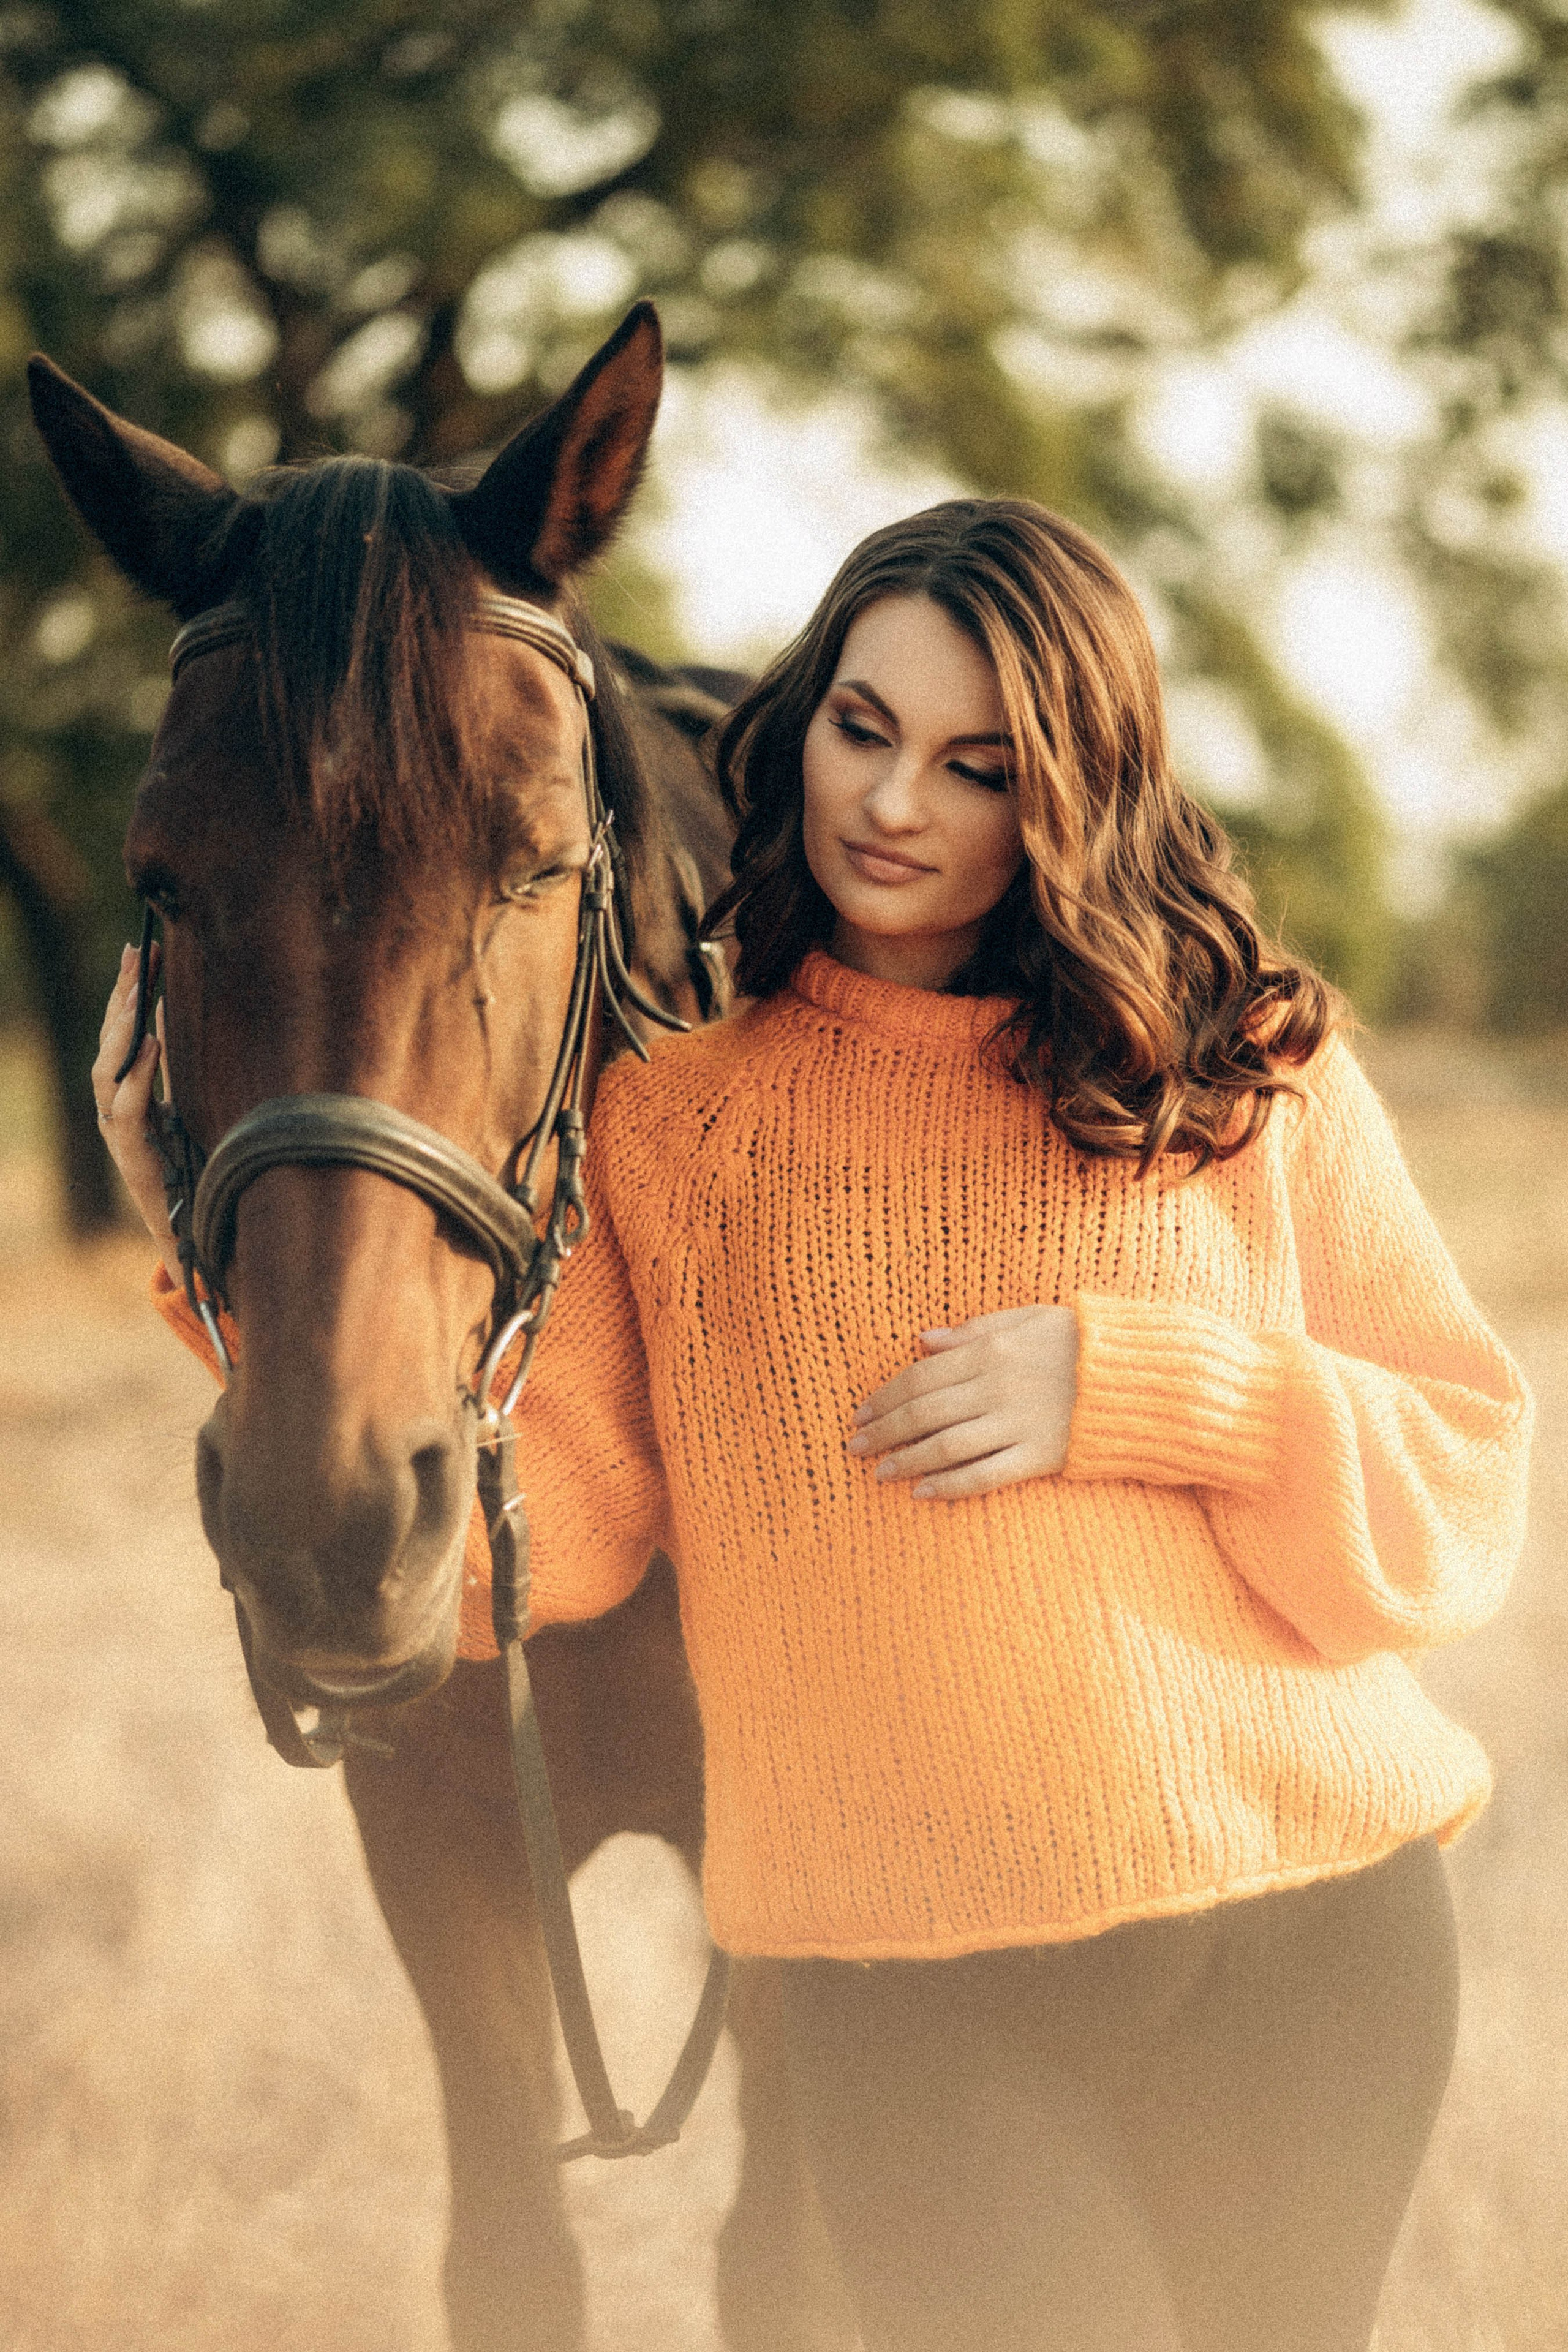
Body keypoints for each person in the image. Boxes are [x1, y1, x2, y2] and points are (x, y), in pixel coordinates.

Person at [100, 498, 1533, 2351]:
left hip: (1325, 1942)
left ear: (1071, 790)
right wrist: (245, 1323)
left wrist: (1151, 1392)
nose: (896, 805)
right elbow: (534, 1551)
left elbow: (1468, 1479)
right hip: (929, 1995)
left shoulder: (1248, 1065)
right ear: (807, 718)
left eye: (978, 764)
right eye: (864, 729)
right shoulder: (682, 1129)